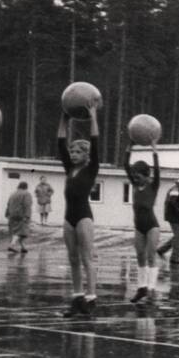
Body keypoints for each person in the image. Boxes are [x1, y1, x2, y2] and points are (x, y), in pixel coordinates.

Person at [58, 107, 100, 315]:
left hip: (84, 217)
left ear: (86, 155)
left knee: (86, 258)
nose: (73, 155)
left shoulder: (91, 170)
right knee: (73, 259)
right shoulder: (69, 169)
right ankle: (77, 298)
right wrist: (64, 119)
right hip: (68, 218)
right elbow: (60, 143)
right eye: (72, 152)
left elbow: (95, 139)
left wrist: (93, 117)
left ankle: (91, 298)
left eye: (77, 152)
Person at [124, 142, 161, 303]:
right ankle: (142, 288)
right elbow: (125, 165)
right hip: (139, 227)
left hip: (152, 226)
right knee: (140, 256)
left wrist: (154, 151)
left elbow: (157, 171)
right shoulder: (133, 185)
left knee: (151, 256)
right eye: (133, 175)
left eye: (138, 175)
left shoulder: (153, 186)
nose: (135, 178)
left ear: (146, 175)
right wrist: (129, 147)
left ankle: (151, 289)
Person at [157, 171, 179, 265]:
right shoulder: (176, 189)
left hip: (172, 215)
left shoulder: (176, 188)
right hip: (174, 216)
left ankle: (162, 250)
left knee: (178, 235)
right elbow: (172, 202)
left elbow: (172, 202)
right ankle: (175, 258)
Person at [6, 181, 33, 254]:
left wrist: (7, 214)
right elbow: (27, 205)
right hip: (21, 215)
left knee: (17, 231)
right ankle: (12, 245)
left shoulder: (13, 194)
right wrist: (27, 215)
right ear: (26, 187)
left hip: (12, 215)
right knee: (20, 231)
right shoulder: (26, 194)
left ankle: (23, 247)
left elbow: (8, 204)